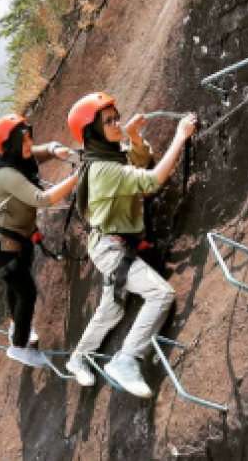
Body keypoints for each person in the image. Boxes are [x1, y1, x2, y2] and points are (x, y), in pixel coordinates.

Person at [64, 92, 196, 397]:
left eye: (116, 117)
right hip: (111, 249)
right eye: (108, 121)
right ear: (92, 131)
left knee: (112, 309)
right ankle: (125, 360)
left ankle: (78, 357)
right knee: (161, 294)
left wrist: (134, 136)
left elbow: (138, 159)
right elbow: (151, 180)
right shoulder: (103, 168)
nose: (116, 124)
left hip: (111, 245)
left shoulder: (105, 155)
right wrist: (180, 136)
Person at [0, 113, 78, 368]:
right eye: (23, 141)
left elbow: (43, 151)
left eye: (28, 138)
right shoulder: (6, 174)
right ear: (10, 145)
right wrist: (76, 178)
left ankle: (17, 325)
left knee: (16, 286)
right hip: (2, 245)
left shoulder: (18, 157)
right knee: (26, 290)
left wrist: (59, 150)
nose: (28, 144)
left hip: (17, 236)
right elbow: (42, 199)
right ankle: (19, 347)